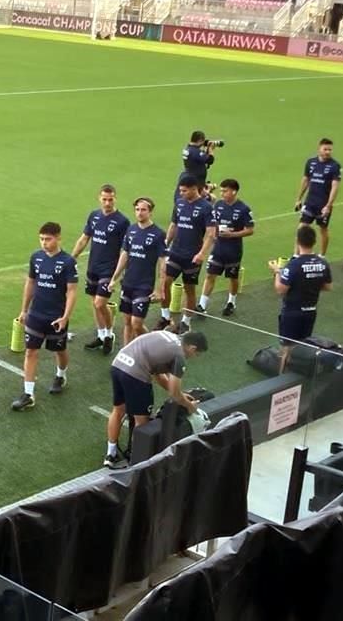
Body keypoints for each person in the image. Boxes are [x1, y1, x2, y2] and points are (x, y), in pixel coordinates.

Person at [104, 330, 208, 468]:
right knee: (142, 422)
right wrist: (189, 406)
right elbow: (174, 392)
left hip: (118, 365)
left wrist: (180, 394)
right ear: (192, 348)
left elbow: (159, 376)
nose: (194, 356)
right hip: (136, 375)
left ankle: (111, 454)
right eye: (197, 354)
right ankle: (136, 460)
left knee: (118, 410)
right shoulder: (179, 355)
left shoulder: (169, 337)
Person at [11, 222, 78, 411]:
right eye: (41, 239)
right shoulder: (36, 258)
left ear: (58, 238)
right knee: (31, 351)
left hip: (56, 317)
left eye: (48, 239)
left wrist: (65, 317)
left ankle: (61, 374)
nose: (44, 243)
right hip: (36, 314)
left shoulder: (67, 262)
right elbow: (30, 283)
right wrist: (24, 309)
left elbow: (72, 291)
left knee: (59, 350)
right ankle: (28, 394)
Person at [71, 185, 129, 354]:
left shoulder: (122, 221)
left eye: (110, 199)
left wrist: (119, 274)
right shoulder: (94, 216)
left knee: (100, 303)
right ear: (99, 198)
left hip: (108, 270)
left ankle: (110, 335)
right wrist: (72, 257)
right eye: (104, 199)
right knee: (94, 304)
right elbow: (84, 239)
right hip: (93, 266)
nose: (107, 203)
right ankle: (101, 335)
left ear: (115, 199)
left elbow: (125, 249)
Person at [157, 175, 216, 334]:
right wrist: (165, 244)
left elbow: (211, 233)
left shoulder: (206, 207)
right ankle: (165, 317)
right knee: (164, 283)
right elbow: (173, 225)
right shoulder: (180, 203)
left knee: (189, 288)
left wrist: (202, 253)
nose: (181, 193)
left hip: (192, 256)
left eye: (184, 191)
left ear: (193, 189)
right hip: (175, 252)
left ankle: (186, 322)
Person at [271, 226, 332, 373]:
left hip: (292, 312)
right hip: (310, 311)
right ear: (314, 242)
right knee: (302, 346)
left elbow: (280, 289)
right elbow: (327, 286)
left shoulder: (294, 265)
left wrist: (277, 272)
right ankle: (298, 378)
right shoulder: (322, 263)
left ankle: (281, 384)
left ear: (298, 241)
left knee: (287, 349)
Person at [110, 197, 167, 344]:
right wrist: (114, 278)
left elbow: (162, 262)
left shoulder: (158, 234)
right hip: (128, 283)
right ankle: (127, 353)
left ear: (150, 212)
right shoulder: (131, 229)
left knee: (137, 323)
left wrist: (160, 289)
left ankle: (155, 344)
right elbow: (125, 254)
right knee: (127, 322)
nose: (140, 213)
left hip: (144, 285)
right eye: (137, 210)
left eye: (143, 210)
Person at [197, 179, 254, 316]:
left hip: (234, 250)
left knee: (232, 277)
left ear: (234, 191)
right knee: (211, 274)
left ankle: (231, 302)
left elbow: (250, 230)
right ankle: (202, 304)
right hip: (218, 248)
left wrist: (232, 234)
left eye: (225, 191)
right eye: (221, 190)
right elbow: (214, 224)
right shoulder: (218, 205)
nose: (222, 193)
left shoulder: (243, 209)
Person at [294, 138, 342, 257]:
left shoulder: (334, 166)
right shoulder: (311, 162)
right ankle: (296, 255)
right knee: (301, 228)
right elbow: (305, 180)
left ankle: (322, 256)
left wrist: (328, 205)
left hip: (323, 205)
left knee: (323, 229)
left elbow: (335, 186)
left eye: (330, 149)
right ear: (319, 148)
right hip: (310, 202)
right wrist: (299, 198)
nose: (327, 152)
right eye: (325, 149)